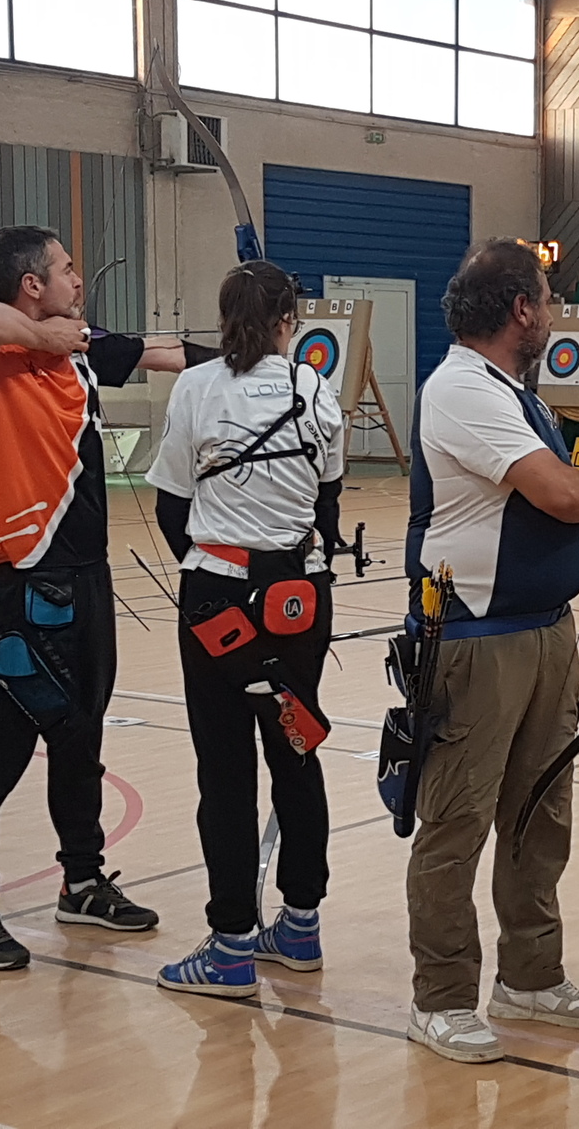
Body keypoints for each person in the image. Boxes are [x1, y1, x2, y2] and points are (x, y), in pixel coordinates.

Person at [403, 238, 579, 1063]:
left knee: (540, 812)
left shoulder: (517, 399)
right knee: (458, 821)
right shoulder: (460, 387)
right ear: (521, 308)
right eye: (548, 301)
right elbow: (563, 496)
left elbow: (552, 523)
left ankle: (529, 975)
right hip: (476, 640)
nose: (552, 314)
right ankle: (441, 997)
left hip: (545, 632)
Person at [0, 225, 196, 970]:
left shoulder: (75, 351)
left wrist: (255, 354)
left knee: (81, 737)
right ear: (31, 285)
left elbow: (162, 352)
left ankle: (82, 880)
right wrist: (54, 339)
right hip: (22, 575)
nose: (78, 280)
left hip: (85, 574)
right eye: (67, 269)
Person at [144, 260, 345, 996]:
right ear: (289, 321)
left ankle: (231, 947)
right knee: (297, 750)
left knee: (225, 772)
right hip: (300, 597)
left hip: (219, 600)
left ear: (226, 318)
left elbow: (172, 505)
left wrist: (211, 570)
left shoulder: (197, 387)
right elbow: (328, 503)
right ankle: (300, 925)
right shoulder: (315, 387)